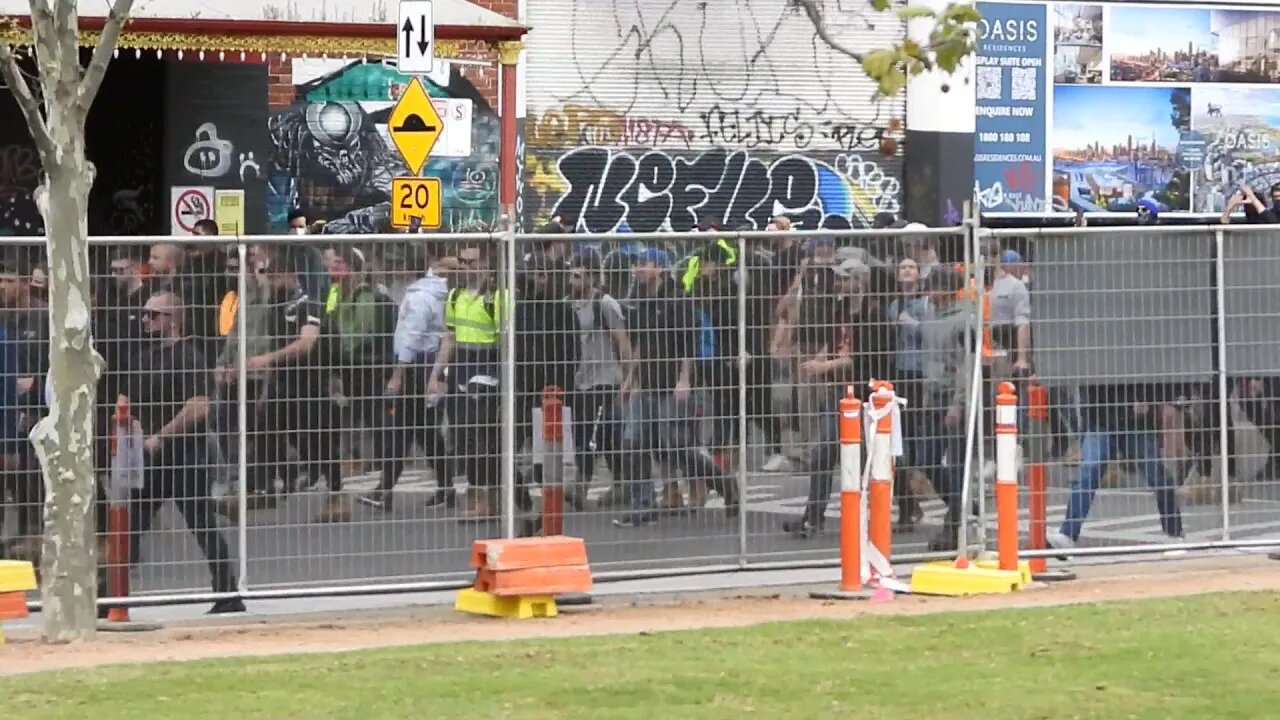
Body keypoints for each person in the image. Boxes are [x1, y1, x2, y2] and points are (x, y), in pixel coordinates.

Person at [123, 290, 244, 615]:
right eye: (145, 314)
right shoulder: (143, 356)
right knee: (130, 525)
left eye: (155, 315)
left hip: (185, 456)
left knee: (202, 523)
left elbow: (199, 406)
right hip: (149, 458)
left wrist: (160, 436)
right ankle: (112, 595)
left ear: (174, 320)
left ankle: (228, 594)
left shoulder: (188, 355)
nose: (147, 320)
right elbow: (129, 401)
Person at [614, 248, 735, 527]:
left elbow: (688, 345)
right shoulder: (640, 301)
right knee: (633, 442)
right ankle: (642, 505)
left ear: (660, 268)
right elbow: (641, 344)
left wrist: (684, 379)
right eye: (638, 264)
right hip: (646, 383)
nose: (638, 269)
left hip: (671, 383)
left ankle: (724, 483)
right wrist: (630, 379)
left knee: (677, 446)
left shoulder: (678, 300)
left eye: (644, 264)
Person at [782, 258, 893, 538]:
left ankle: (905, 502)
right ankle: (813, 518)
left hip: (868, 395)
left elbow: (860, 357)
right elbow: (834, 343)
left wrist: (823, 366)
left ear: (861, 281)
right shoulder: (840, 307)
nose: (841, 284)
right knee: (824, 452)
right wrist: (818, 358)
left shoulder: (873, 313)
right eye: (840, 279)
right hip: (841, 393)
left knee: (876, 455)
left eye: (846, 279)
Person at [365, 249, 454, 511]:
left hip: (414, 366)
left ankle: (385, 490)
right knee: (424, 432)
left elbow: (411, 335)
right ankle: (442, 487)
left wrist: (398, 373)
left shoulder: (418, 296)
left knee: (400, 429)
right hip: (427, 364)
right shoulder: (436, 291)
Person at [427, 243, 510, 522]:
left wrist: (506, 384)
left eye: (473, 262)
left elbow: (506, 343)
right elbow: (449, 339)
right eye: (463, 261)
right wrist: (436, 374)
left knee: (481, 436)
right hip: (461, 368)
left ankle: (488, 496)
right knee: (462, 435)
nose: (467, 268)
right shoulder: (455, 296)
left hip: (487, 369)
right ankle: (478, 492)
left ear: (487, 264)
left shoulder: (497, 297)